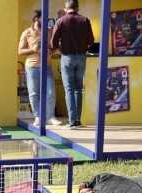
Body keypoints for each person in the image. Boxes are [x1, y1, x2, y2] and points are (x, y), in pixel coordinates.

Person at [51, 0, 94, 128]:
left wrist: (60, 49)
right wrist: (83, 48)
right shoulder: (85, 20)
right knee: (78, 89)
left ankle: (72, 121)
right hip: (81, 57)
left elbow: (53, 43)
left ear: (66, 8)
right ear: (78, 8)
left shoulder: (61, 21)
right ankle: (77, 120)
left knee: (69, 89)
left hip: (67, 57)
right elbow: (91, 40)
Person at [18, 10, 62, 127]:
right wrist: (33, 49)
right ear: (37, 19)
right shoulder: (26, 33)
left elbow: (53, 46)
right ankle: (37, 117)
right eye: (44, 17)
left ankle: (50, 116)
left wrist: (50, 50)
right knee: (34, 93)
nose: (46, 20)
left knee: (50, 92)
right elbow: (20, 51)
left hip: (47, 66)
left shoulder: (49, 31)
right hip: (32, 67)